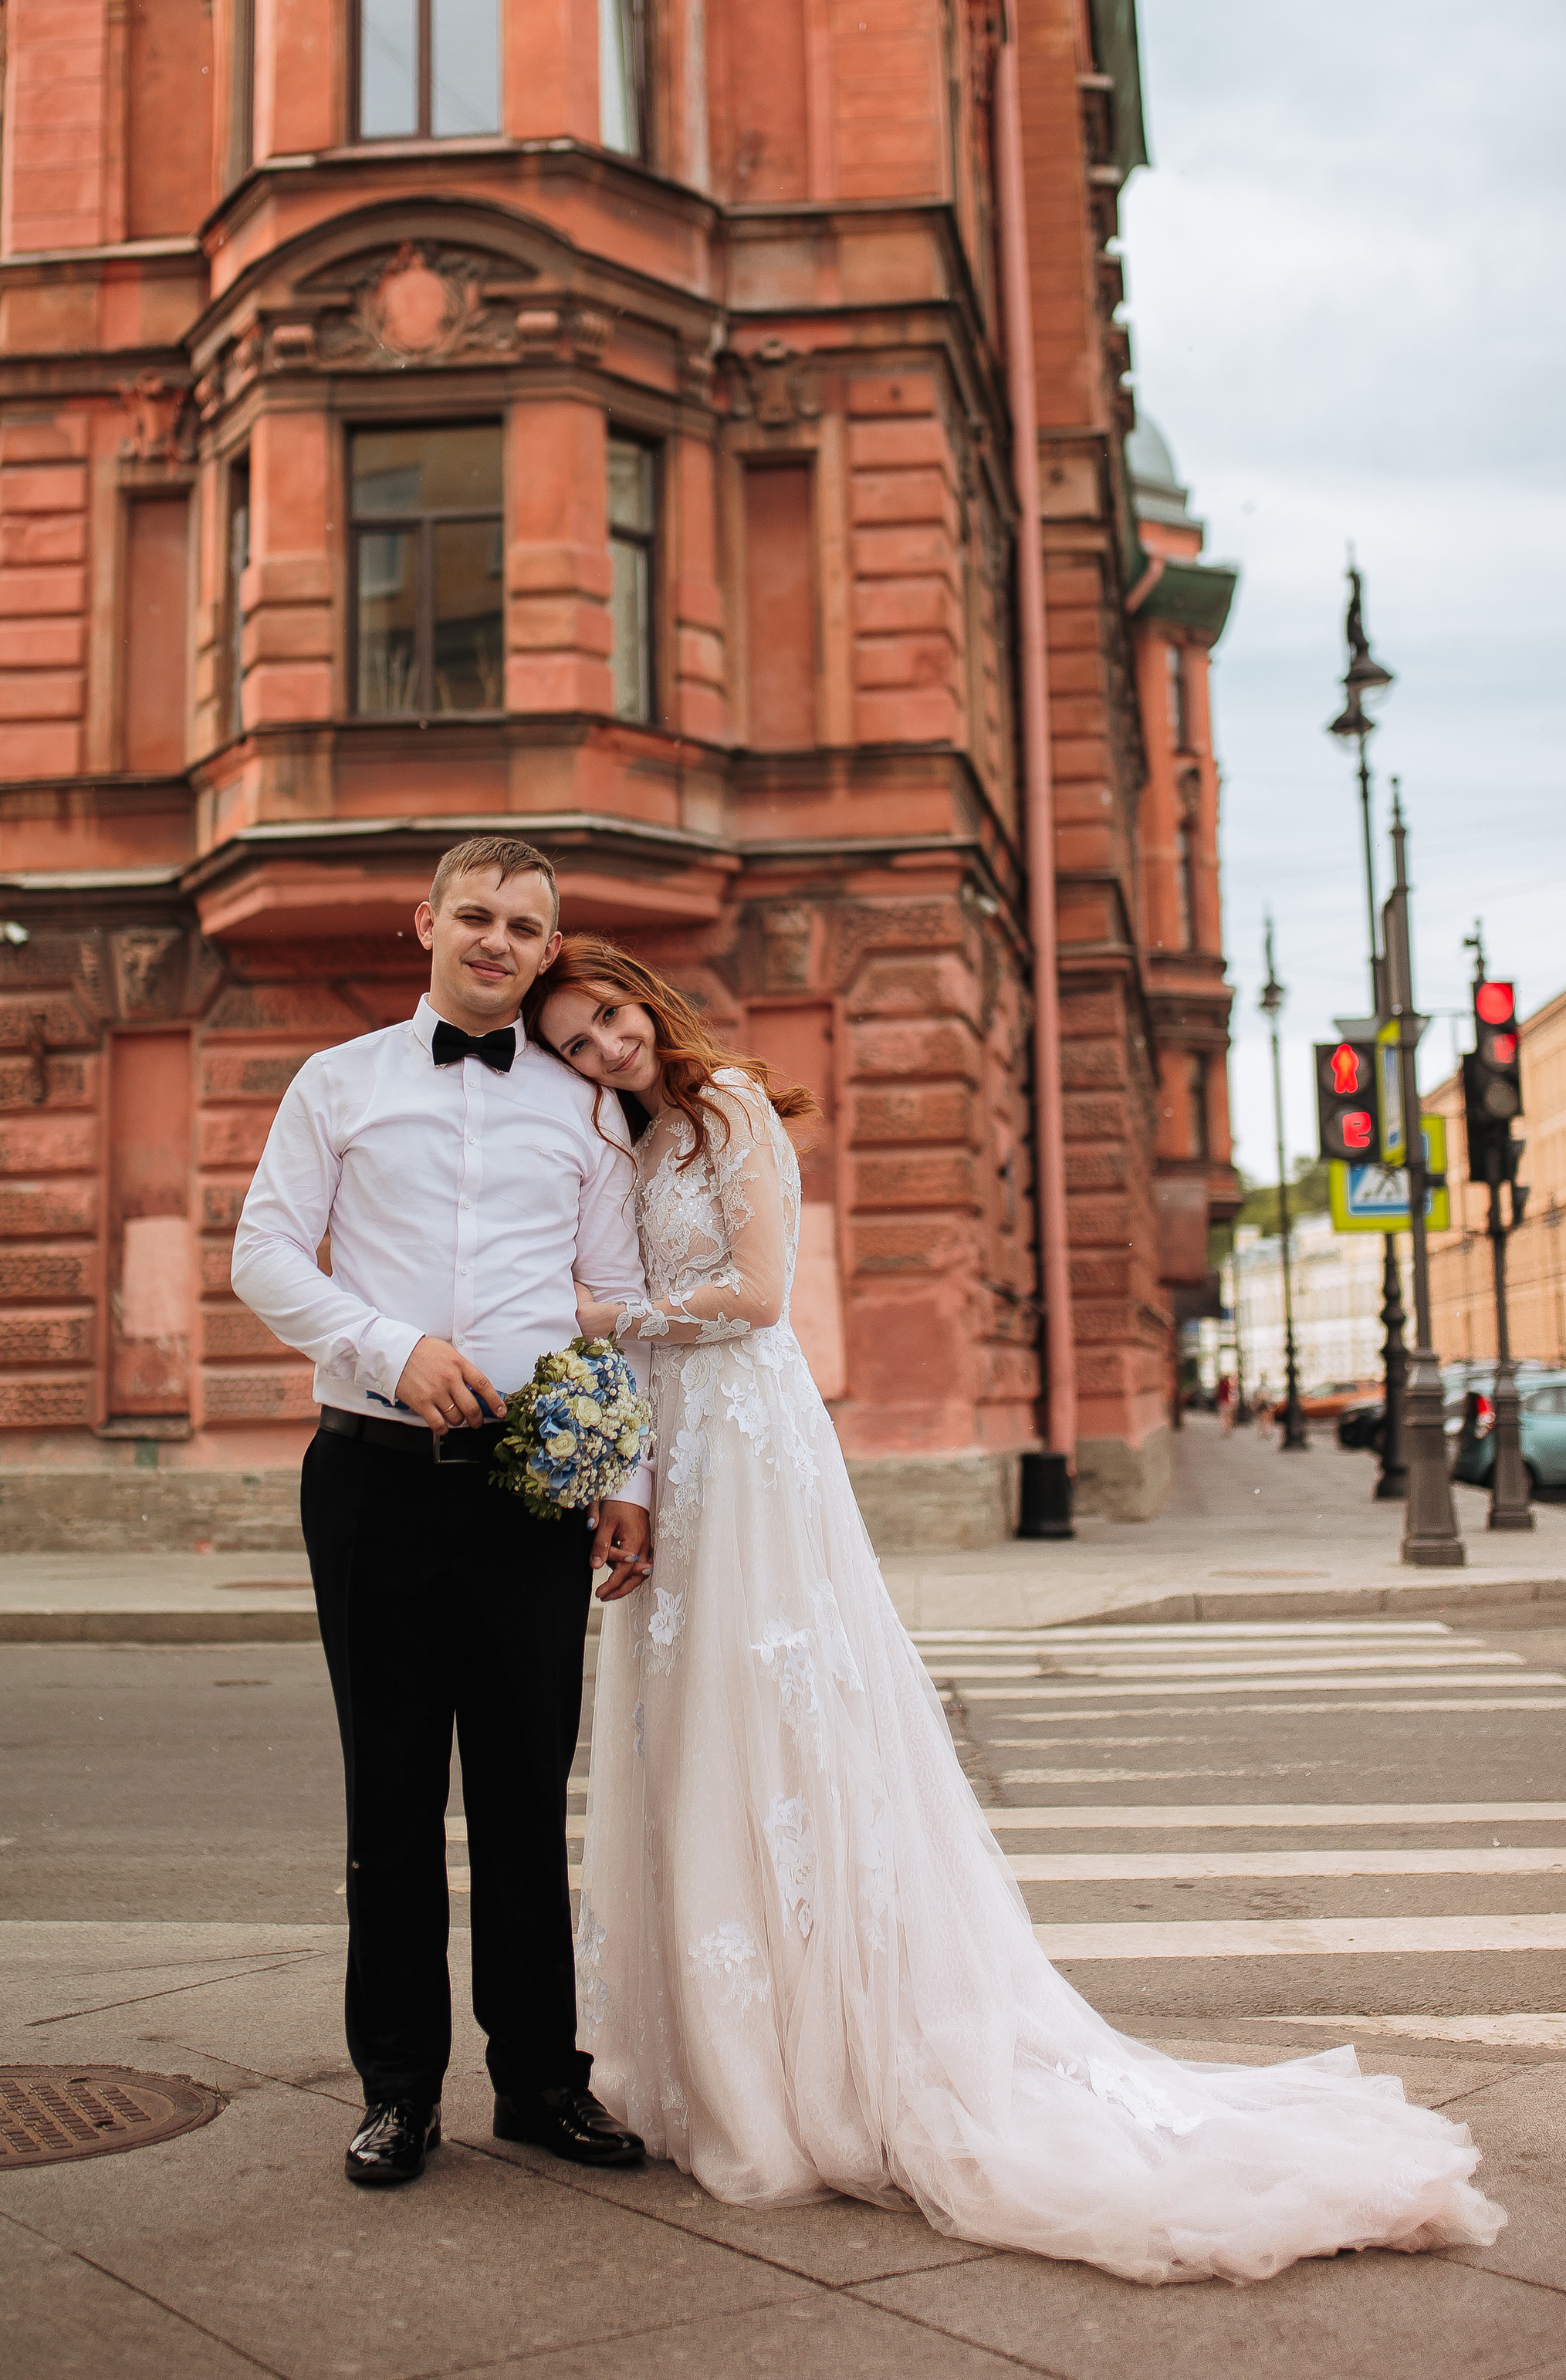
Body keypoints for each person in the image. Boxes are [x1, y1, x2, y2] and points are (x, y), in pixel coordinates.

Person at [529, 938, 1507, 2288]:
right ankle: (708, 2052)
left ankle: (819, 2052)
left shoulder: (734, 1107)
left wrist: (608, 1312)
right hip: (674, 1450)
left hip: (751, 1447)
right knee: (680, 1732)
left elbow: (756, 1297)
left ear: (645, 998)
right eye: (574, 1044)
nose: (602, 1051)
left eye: (607, 1020)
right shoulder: (616, 1147)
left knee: (774, 1715)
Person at [232, 838, 654, 2196]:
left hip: (533, 1492)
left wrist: (627, 1483)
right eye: (475, 914)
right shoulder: (335, 1083)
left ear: (547, 949)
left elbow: (619, 1296)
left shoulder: (585, 1112)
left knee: (528, 1794)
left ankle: (539, 2080)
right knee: (394, 1798)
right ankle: (399, 2093)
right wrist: (387, 1345)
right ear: (427, 921)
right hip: (372, 1482)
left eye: (525, 927)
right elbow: (264, 1256)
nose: (497, 941)